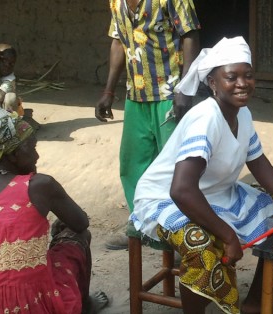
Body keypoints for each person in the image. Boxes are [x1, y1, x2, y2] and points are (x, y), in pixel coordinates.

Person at [130, 37, 273, 314]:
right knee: (202, 247)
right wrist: (228, 236)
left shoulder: (242, 113)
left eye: (248, 76)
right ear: (213, 83)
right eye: (232, 77)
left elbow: (256, 159)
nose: (242, 83)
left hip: (216, 193)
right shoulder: (205, 118)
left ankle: (256, 300)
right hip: (166, 200)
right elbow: (181, 190)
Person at [0, 105, 109, 314]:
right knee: (77, 235)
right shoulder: (39, 185)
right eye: (32, 147)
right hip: (31, 305)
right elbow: (80, 222)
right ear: (13, 154)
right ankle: (84, 305)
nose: (36, 156)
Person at [96, 0, 201, 250]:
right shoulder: (117, 2)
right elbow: (118, 41)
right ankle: (141, 225)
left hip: (170, 94)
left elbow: (191, 35)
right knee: (133, 164)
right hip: (137, 95)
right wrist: (109, 91)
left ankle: (182, 234)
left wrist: (186, 87)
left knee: (176, 166)